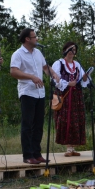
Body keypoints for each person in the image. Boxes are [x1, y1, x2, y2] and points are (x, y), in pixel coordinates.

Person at [10, 28, 60, 164]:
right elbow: (14, 72)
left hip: (40, 92)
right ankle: (27, 155)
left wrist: (53, 73)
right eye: (34, 36)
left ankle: (37, 153)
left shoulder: (38, 52)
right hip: (27, 92)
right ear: (27, 39)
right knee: (27, 124)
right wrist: (31, 77)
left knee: (38, 124)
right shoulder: (18, 54)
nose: (37, 39)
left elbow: (45, 67)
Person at [52, 41, 92, 157]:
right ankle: (68, 148)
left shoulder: (77, 65)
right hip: (64, 96)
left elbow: (83, 81)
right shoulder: (59, 63)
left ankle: (73, 147)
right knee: (65, 120)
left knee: (76, 120)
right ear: (65, 50)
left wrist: (85, 77)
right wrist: (68, 83)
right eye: (70, 49)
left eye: (74, 50)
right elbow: (55, 79)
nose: (72, 52)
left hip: (76, 97)